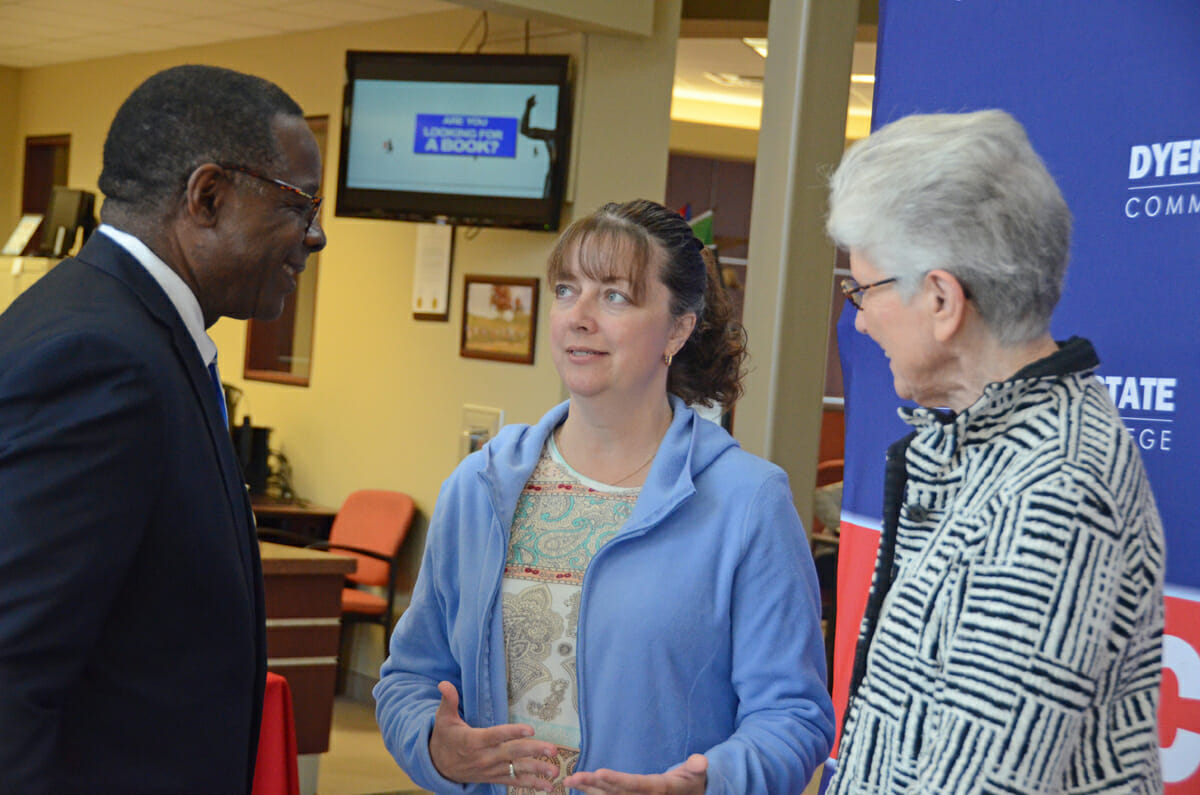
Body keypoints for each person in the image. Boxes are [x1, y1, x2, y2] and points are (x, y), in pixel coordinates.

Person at [375, 199, 835, 794]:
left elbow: (793, 717)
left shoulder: (747, 502)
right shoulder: (480, 486)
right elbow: (410, 678)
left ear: (678, 327)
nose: (579, 316)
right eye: (567, 290)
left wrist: (706, 784)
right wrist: (436, 748)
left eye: (615, 296)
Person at [0, 65, 326, 793]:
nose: (317, 235)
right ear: (206, 196)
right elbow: (12, 668)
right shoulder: (99, 359)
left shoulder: (134, 334)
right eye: (300, 205)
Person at [824, 110, 1165, 793]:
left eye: (864, 288)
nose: (857, 318)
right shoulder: (989, 446)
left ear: (944, 299)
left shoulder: (1057, 484)